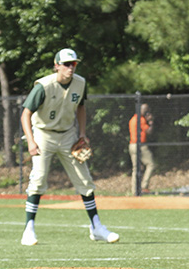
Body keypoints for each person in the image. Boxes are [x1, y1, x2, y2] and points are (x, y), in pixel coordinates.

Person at [20, 48, 119, 246]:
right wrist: (31, 141)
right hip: (43, 134)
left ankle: (97, 227)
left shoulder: (80, 83)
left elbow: (81, 107)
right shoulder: (44, 86)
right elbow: (25, 114)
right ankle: (28, 229)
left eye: (73, 64)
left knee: (85, 180)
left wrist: (82, 134)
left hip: (67, 135)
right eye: (66, 64)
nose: (70, 68)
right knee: (38, 180)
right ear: (56, 66)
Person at [128, 103, 155, 194]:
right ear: (142, 110)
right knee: (151, 164)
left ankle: (134, 190)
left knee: (136, 169)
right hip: (140, 146)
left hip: (132, 145)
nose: (147, 112)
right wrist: (150, 122)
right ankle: (144, 186)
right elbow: (149, 131)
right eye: (146, 110)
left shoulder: (133, 118)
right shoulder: (141, 119)